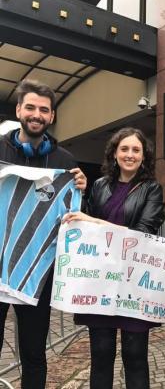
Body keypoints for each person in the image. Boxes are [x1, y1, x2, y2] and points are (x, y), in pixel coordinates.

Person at [0, 79, 87, 389]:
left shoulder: (64, 162)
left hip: (38, 274)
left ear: (51, 117)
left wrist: (79, 191)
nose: (37, 114)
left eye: (44, 110)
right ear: (19, 110)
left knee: (34, 354)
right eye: (31, 107)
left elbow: (72, 218)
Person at [63, 127, 165, 389]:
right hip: (101, 283)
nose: (130, 154)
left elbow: (141, 235)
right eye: (124, 149)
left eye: (136, 150)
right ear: (114, 153)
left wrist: (93, 220)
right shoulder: (99, 185)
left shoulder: (152, 189)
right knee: (100, 355)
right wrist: (82, 197)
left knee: (135, 357)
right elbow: (85, 230)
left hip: (134, 285)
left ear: (144, 156)